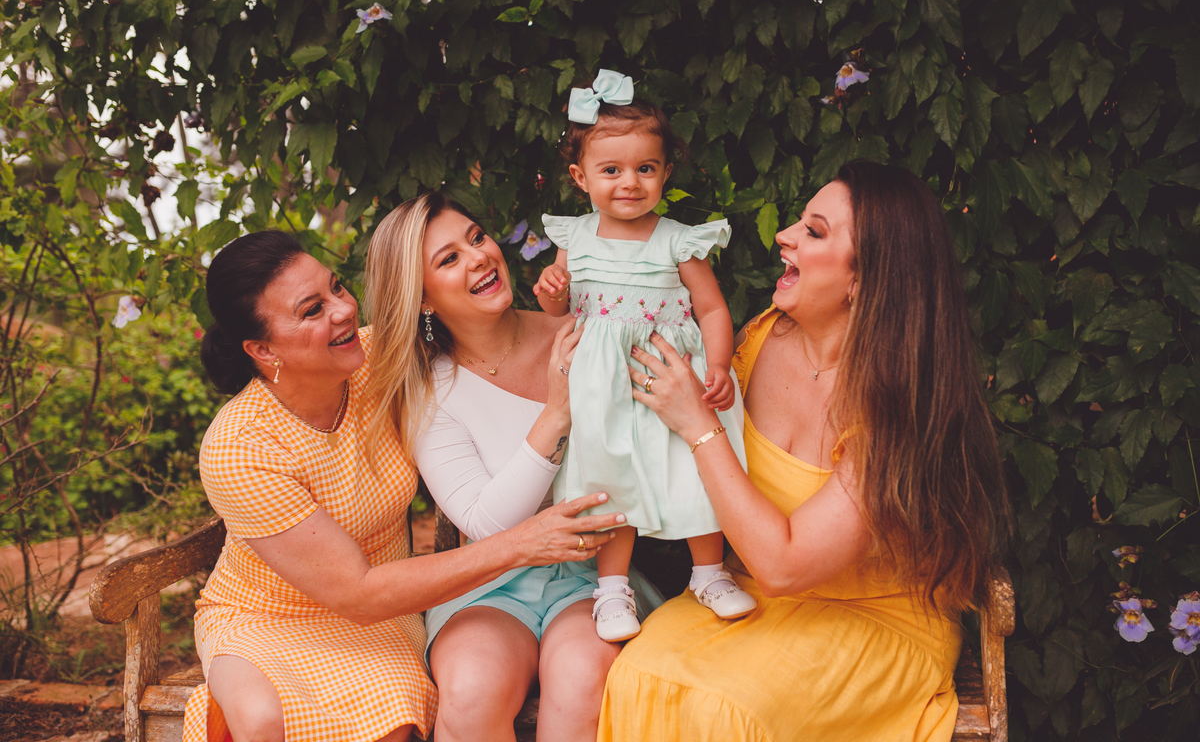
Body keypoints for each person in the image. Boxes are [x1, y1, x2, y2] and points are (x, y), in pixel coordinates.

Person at [599, 161, 1013, 741]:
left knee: (728, 711)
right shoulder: (759, 339)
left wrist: (696, 422)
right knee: (641, 674)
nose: (783, 236)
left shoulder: (896, 411)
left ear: (863, 281)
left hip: (875, 617)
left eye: (814, 231)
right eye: (798, 223)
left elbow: (786, 564)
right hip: (748, 597)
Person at [183, 230, 622, 742]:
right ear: (261, 348)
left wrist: (564, 286)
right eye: (311, 310)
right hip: (270, 615)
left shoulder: (380, 359)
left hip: (383, 617)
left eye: (337, 289)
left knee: (390, 722)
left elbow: (465, 307)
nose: (343, 312)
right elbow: (357, 592)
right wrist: (522, 542)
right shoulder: (240, 447)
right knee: (260, 721)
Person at [364, 192, 661, 742]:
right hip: (486, 584)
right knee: (472, 690)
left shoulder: (580, 333)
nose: (478, 257)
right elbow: (484, 524)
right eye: (448, 259)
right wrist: (556, 412)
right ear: (422, 299)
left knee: (582, 680)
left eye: (476, 238)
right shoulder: (431, 390)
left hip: (595, 576)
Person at [534, 69, 756, 642]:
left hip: (669, 379)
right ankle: (612, 590)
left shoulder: (678, 240)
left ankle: (709, 572)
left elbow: (710, 310)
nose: (629, 182)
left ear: (665, 172)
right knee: (611, 479)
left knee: (695, 470)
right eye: (611, 170)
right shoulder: (573, 238)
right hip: (604, 387)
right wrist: (553, 298)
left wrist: (718, 365)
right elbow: (563, 317)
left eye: (645, 168)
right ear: (581, 177)